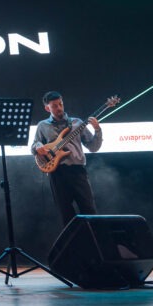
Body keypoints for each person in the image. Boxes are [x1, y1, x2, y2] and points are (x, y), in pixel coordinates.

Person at [31, 90, 103, 226]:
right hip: (57, 174)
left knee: (90, 212)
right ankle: (75, 246)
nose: (59, 108)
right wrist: (38, 146)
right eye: (54, 106)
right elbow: (34, 146)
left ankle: (95, 244)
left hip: (77, 172)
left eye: (60, 104)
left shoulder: (77, 123)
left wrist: (97, 130)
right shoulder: (42, 126)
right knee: (66, 216)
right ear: (47, 108)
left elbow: (93, 148)